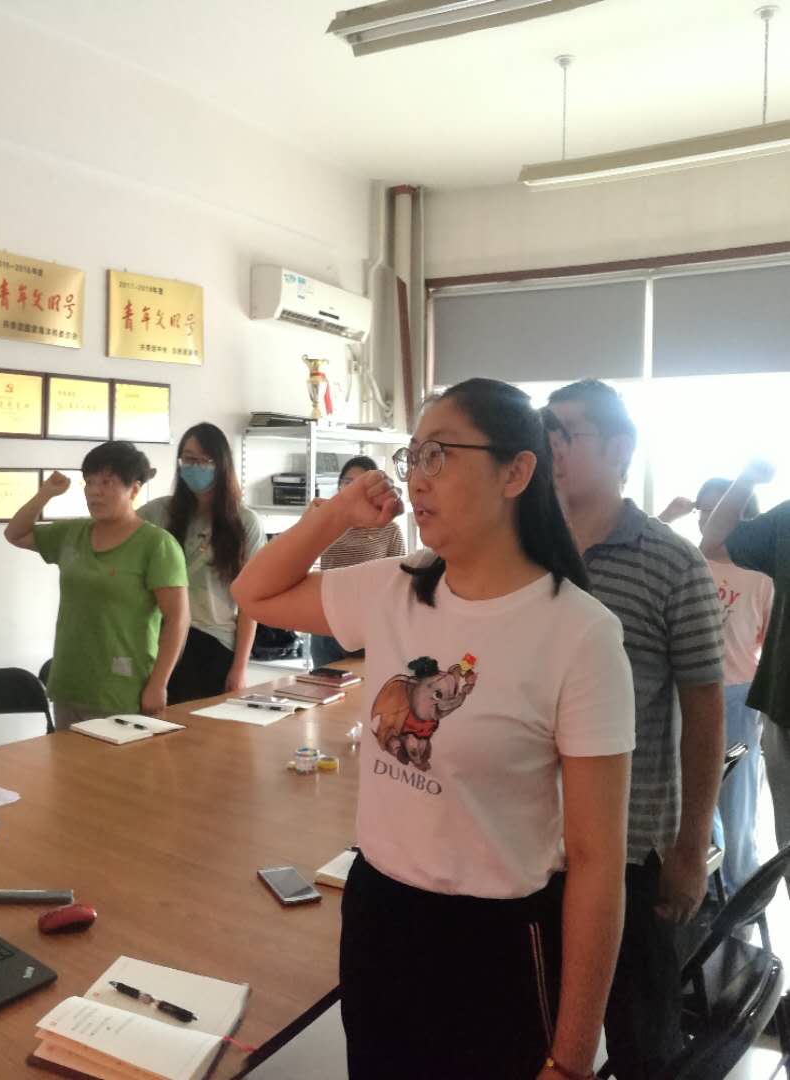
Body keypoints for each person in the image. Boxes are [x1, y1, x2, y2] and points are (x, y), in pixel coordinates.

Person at [232, 378, 633, 1080]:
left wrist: (571, 1059)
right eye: (412, 457)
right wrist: (338, 513)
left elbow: (598, 862)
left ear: (516, 472)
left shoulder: (579, 633)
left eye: (439, 456)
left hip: (497, 943)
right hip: (380, 914)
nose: (417, 479)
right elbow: (253, 592)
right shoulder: (398, 584)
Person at [544, 379, 724, 1079]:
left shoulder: (672, 561)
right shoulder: (524, 551)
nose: (552, 447)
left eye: (568, 433)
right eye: (546, 433)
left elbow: (703, 712)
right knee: (534, 1030)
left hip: (629, 848)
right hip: (531, 844)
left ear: (620, 448)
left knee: (640, 1042)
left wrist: (689, 849)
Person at [3, 441, 187, 726]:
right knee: (66, 756)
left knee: (120, 757)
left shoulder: (156, 544)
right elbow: (15, 534)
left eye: (106, 482)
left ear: (134, 489)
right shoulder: (72, 532)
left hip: (123, 688)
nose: (94, 491)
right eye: (89, 482)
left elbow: (178, 619)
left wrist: (159, 683)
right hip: (71, 684)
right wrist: (46, 493)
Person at [664, 478, 774, 893]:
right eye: (703, 509)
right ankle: (708, 888)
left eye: (717, 509)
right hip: (685, 693)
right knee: (693, 793)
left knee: (737, 797)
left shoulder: (762, 575)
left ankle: (742, 887)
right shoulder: (689, 562)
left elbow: (766, 639)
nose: (707, 518)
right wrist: (667, 516)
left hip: (738, 695)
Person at [700, 459, 789, 881]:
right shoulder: (785, 521)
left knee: (739, 801)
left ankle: (739, 884)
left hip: (751, 694)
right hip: (781, 704)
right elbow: (714, 538)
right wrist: (747, 479)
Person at [139, 423, 264, 702]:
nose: (194, 467)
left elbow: (250, 603)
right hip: (162, 639)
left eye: (203, 461)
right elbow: (119, 527)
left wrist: (240, 667)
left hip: (213, 643)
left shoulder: (244, 522)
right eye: (188, 459)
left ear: (221, 464)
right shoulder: (159, 512)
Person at [311, 455, 408, 667]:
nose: (352, 489)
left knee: (365, 683)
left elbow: (398, 583)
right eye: (347, 482)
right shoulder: (328, 522)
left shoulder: (390, 530)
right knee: (322, 683)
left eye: (361, 484)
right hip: (326, 623)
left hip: (368, 625)